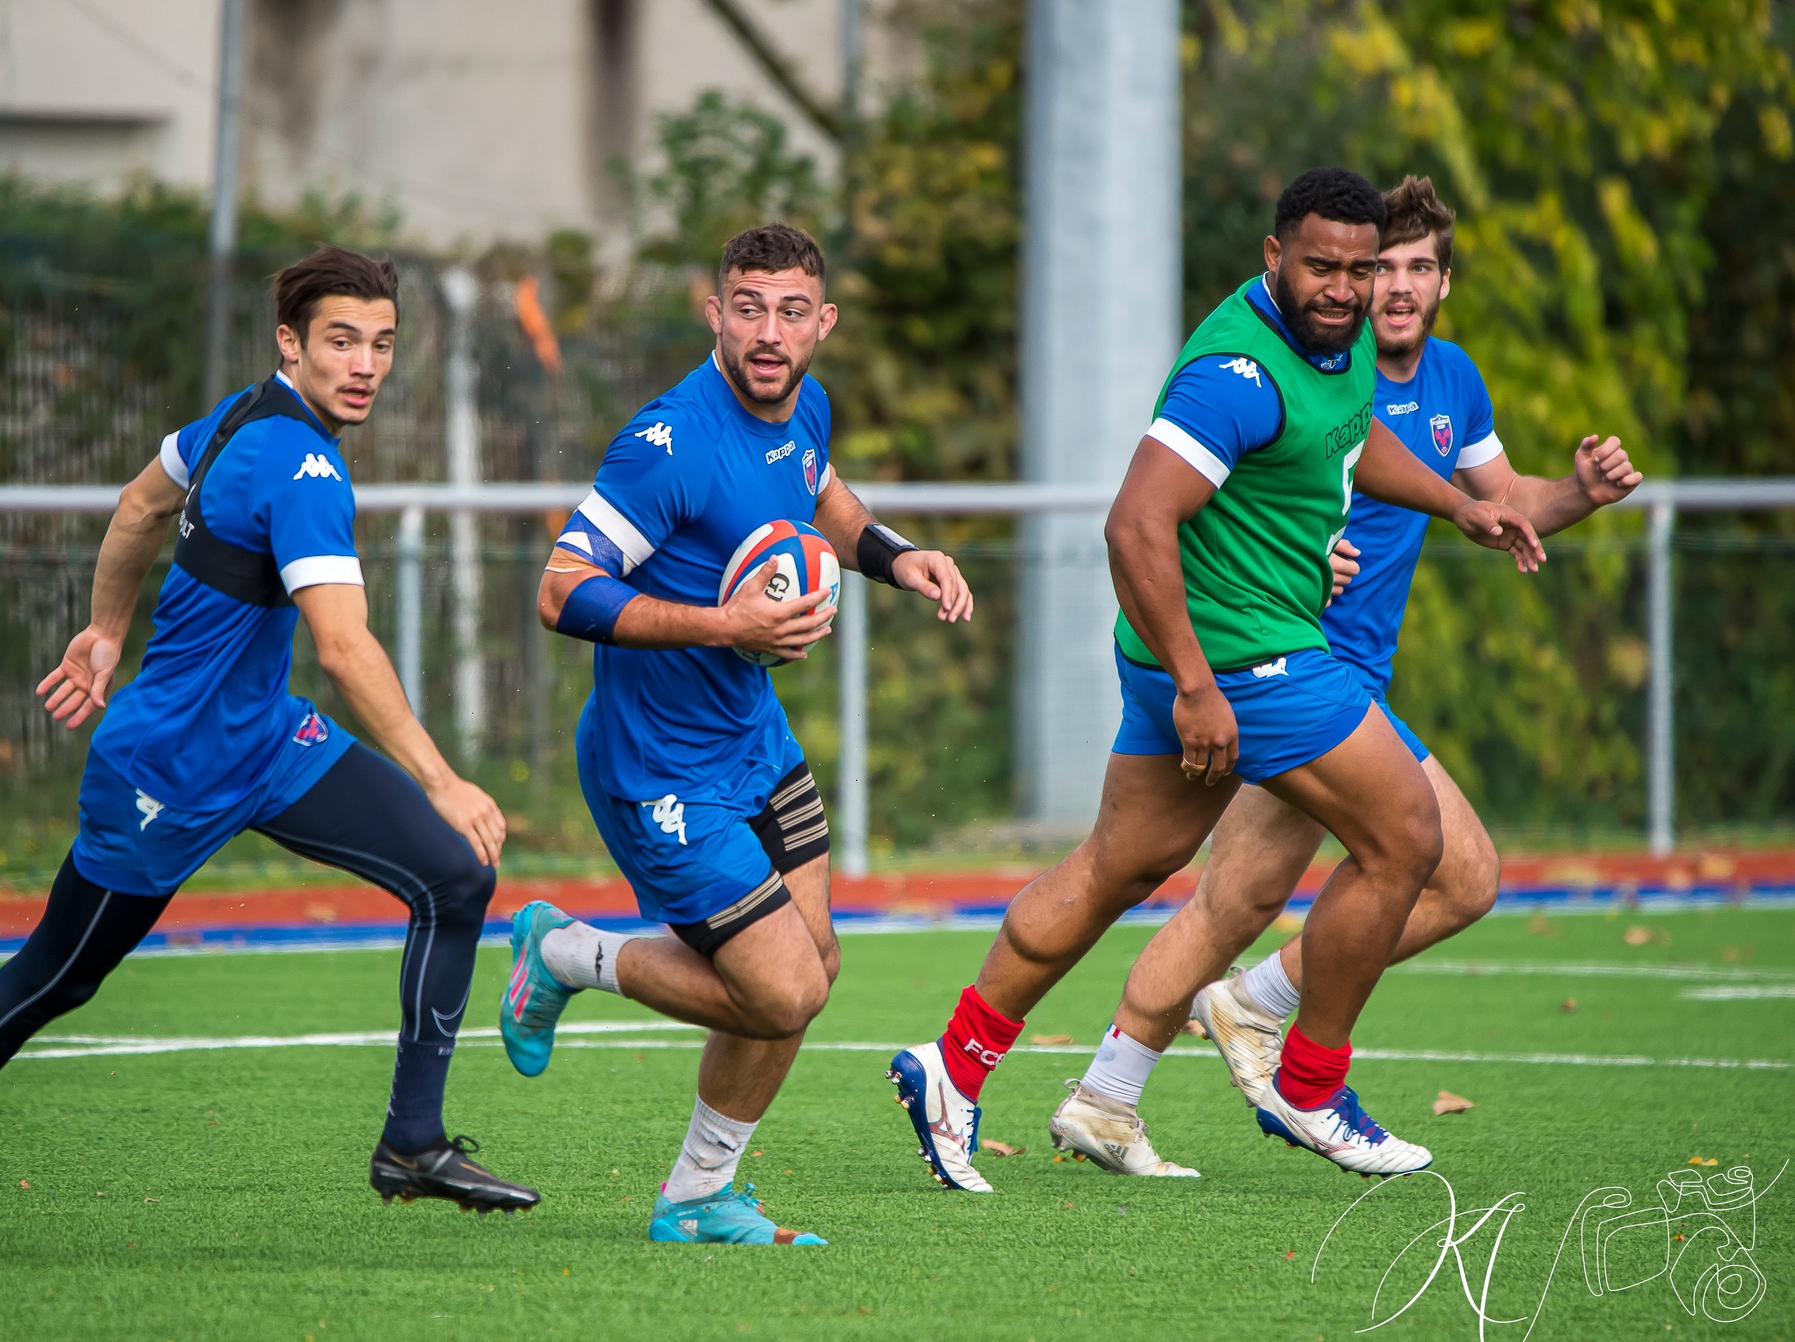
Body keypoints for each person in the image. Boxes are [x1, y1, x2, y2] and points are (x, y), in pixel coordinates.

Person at [0, 245, 536, 1269]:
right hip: (165, 768)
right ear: (290, 342)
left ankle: (412, 1141)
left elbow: (139, 504)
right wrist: (443, 778)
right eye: (341, 341)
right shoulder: (300, 464)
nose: (365, 365)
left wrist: (105, 629)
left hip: (267, 741)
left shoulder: (234, 416)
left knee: (454, 874)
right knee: (56, 975)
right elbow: (344, 647)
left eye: (383, 344)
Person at [887, 167, 1546, 1193]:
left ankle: (953, 1064)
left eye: (1360, 270)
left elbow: (1347, 433)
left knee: (1116, 866)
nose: (1343, 289)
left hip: (1203, 653)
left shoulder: (1336, 343)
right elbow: (1133, 524)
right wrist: (1198, 687)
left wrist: (1455, 504)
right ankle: (1310, 1083)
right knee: (1408, 837)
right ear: (1273, 256)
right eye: (1320, 266)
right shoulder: (1233, 374)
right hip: (1242, 658)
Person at [1087, 175, 1639, 1158]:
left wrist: (1579, 492)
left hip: (1348, 675)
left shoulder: (1451, 380)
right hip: (1285, 664)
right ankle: (1245, 1035)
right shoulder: (1317, 366)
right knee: (1393, 875)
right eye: (1384, 268)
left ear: (1442, 284)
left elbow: (1503, 502)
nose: (1396, 286)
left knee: (1263, 898)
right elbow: (1212, 500)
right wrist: (1311, 557)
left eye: (1418, 268)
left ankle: (1136, 1074)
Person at [502, 224, 974, 1245]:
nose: (769, 332)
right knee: (783, 989)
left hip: (751, 741)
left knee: (814, 968)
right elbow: (560, 590)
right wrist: (728, 626)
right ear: (715, 313)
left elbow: (821, 493)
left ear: (822, 322)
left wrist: (897, 557)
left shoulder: (806, 405)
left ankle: (696, 1196)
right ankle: (564, 952)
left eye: (791, 311)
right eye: (748, 308)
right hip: (656, 766)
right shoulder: (667, 445)